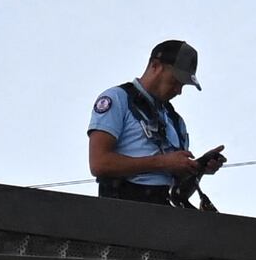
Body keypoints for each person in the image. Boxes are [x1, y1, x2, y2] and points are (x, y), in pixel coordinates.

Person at [85, 40, 223, 207]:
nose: (179, 91)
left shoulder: (176, 121)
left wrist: (198, 169)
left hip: (163, 214)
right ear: (156, 66)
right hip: (122, 210)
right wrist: (164, 162)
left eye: (183, 85)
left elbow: (178, 191)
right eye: (175, 80)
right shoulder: (118, 99)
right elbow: (99, 163)